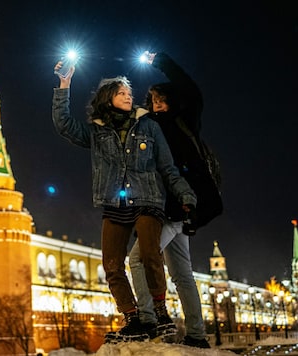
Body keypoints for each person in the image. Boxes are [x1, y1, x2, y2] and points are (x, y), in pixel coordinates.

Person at [51, 61, 197, 340]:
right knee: (112, 265)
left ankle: (159, 312)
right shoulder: (97, 131)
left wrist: (185, 194)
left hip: (148, 199)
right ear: (108, 98)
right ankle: (133, 318)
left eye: (129, 93)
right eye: (121, 93)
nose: (128, 97)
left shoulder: (149, 126)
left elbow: (167, 166)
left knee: (150, 254)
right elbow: (64, 126)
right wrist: (64, 84)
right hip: (114, 202)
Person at [128, 51, 216, 348]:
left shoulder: (183, 120)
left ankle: (148, 320)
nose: (157, 106)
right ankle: (197, 335)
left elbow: (191, 89)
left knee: (138, 258)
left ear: (173, 101)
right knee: (181, 273)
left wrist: (162, 61)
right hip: (166, 208)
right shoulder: (149, 127)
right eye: (152, 101)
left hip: (179, 207)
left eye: (161, 100)